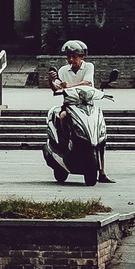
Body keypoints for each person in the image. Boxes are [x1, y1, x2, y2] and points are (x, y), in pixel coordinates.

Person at [49, 41, 111, 183]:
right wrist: (51, 82)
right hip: (70, 106)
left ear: (81, 57)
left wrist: (69, 85)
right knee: (63, 116)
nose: (71, 60)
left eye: (74, 57)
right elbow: (56, 89)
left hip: (88, 105)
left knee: (101, 132)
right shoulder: (64, 70)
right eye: (69, 57)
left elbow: (87, 83)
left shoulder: (89, 67)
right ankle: (66, 141)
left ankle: (102, 171)